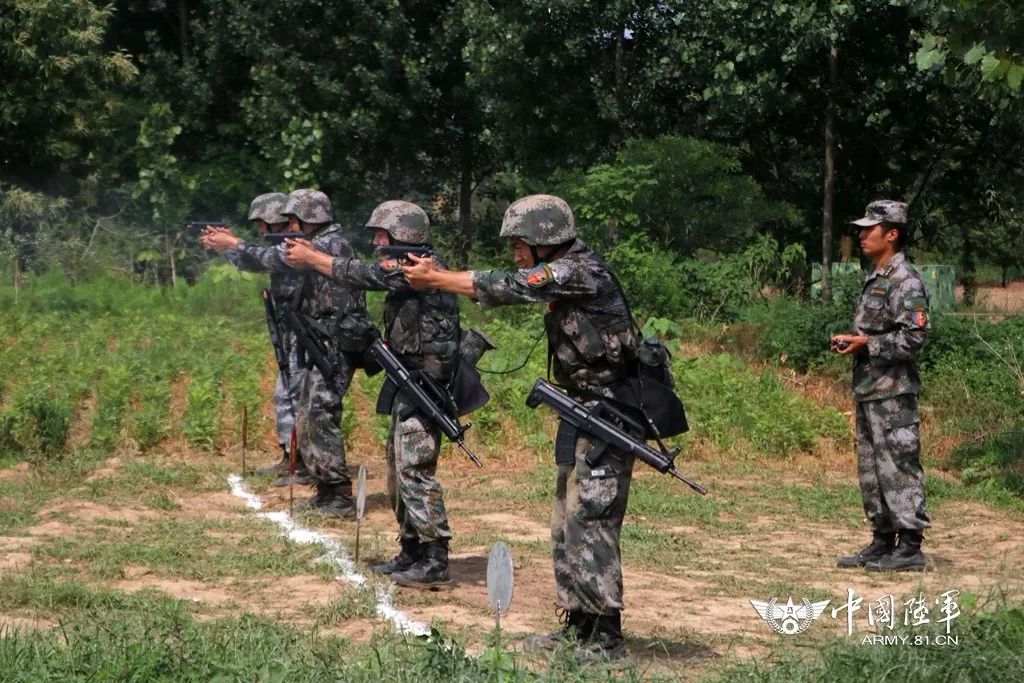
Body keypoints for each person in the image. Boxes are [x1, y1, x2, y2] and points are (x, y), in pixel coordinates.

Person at [402, 194, 638, 659]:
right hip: (585, 411)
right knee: (567, 522)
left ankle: (605, 635)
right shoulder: (566, 270)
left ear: (544, 240)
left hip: (610, 415)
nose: (514, 251)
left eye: (518, 242)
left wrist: (436, 279)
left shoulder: (578, 270)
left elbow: (510, 286)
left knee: (591, 520)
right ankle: (579, 625)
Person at [285, 200, 462, 589]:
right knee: (397, 469)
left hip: (426, 386)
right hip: (409, 383)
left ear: (404, 236)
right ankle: (412, 549)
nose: (377, 242)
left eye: (382, 235)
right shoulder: (410, 267)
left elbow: (360, 274)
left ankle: (434, 558)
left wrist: (313, 258)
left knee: (414, 469)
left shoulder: (418, 269)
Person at [224, 188, 366, 517]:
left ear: (308, 218)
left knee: (319, 413)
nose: (288, 227)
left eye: (292, 220)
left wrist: (233, 245)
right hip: (322, 340)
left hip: (334, 343)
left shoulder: (327, 245)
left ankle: (338, 494)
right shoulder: (320, 243)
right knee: (310, 412)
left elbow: (271, 259)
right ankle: (326, 489)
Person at [832, 200, 931, 573]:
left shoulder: (906, 280)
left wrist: (867, 344)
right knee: (873, 470)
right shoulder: (877, 276)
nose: (861, 235)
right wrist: (855, 342)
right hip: (869, 390)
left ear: (891, 234)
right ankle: (882, 540)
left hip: (893, 393)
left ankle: (910, 547)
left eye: (869, 229)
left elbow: (913, 339)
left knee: (899, 466)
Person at [200, 193, 310, 486]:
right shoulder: (281, 246)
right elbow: (255, 262)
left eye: (263, 224)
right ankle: (291, 457)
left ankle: (304, 463)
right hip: (291, 329)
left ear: (277, 222)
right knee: (285, 393)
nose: (260, 231)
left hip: (307, 332)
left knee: (297, 396)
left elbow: (269, 258)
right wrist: (225, 246)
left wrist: (233, 243)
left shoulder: (298, 247)